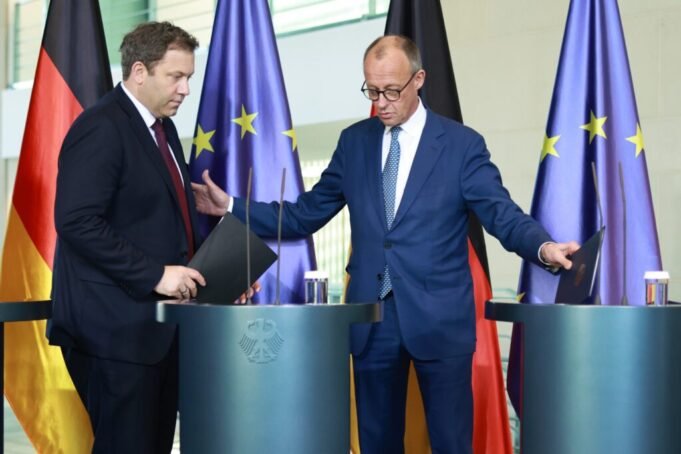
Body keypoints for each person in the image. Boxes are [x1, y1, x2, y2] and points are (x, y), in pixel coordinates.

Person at [192, 35, 579, 453]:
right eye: (372, 91)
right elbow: (306, 213)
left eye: (392, 91)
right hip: (372, 317)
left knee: (451, 443)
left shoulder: (462, 146)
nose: (382, 103)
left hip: (439, 320)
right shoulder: (354, 142)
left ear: (419, 79)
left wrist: (543, 248)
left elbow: (502, 214)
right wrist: (231, 205)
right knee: (376, 443)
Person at [48, 22, 205, 453]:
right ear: (139, 71)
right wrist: (156, 275)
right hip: (112, 333)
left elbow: (161, 226)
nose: (185, 89)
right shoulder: (101, 127)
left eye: (188, 77)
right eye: (176, 76)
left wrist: (215, 278)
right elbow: (76, 221)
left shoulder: (163, 130)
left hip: (156, 333)